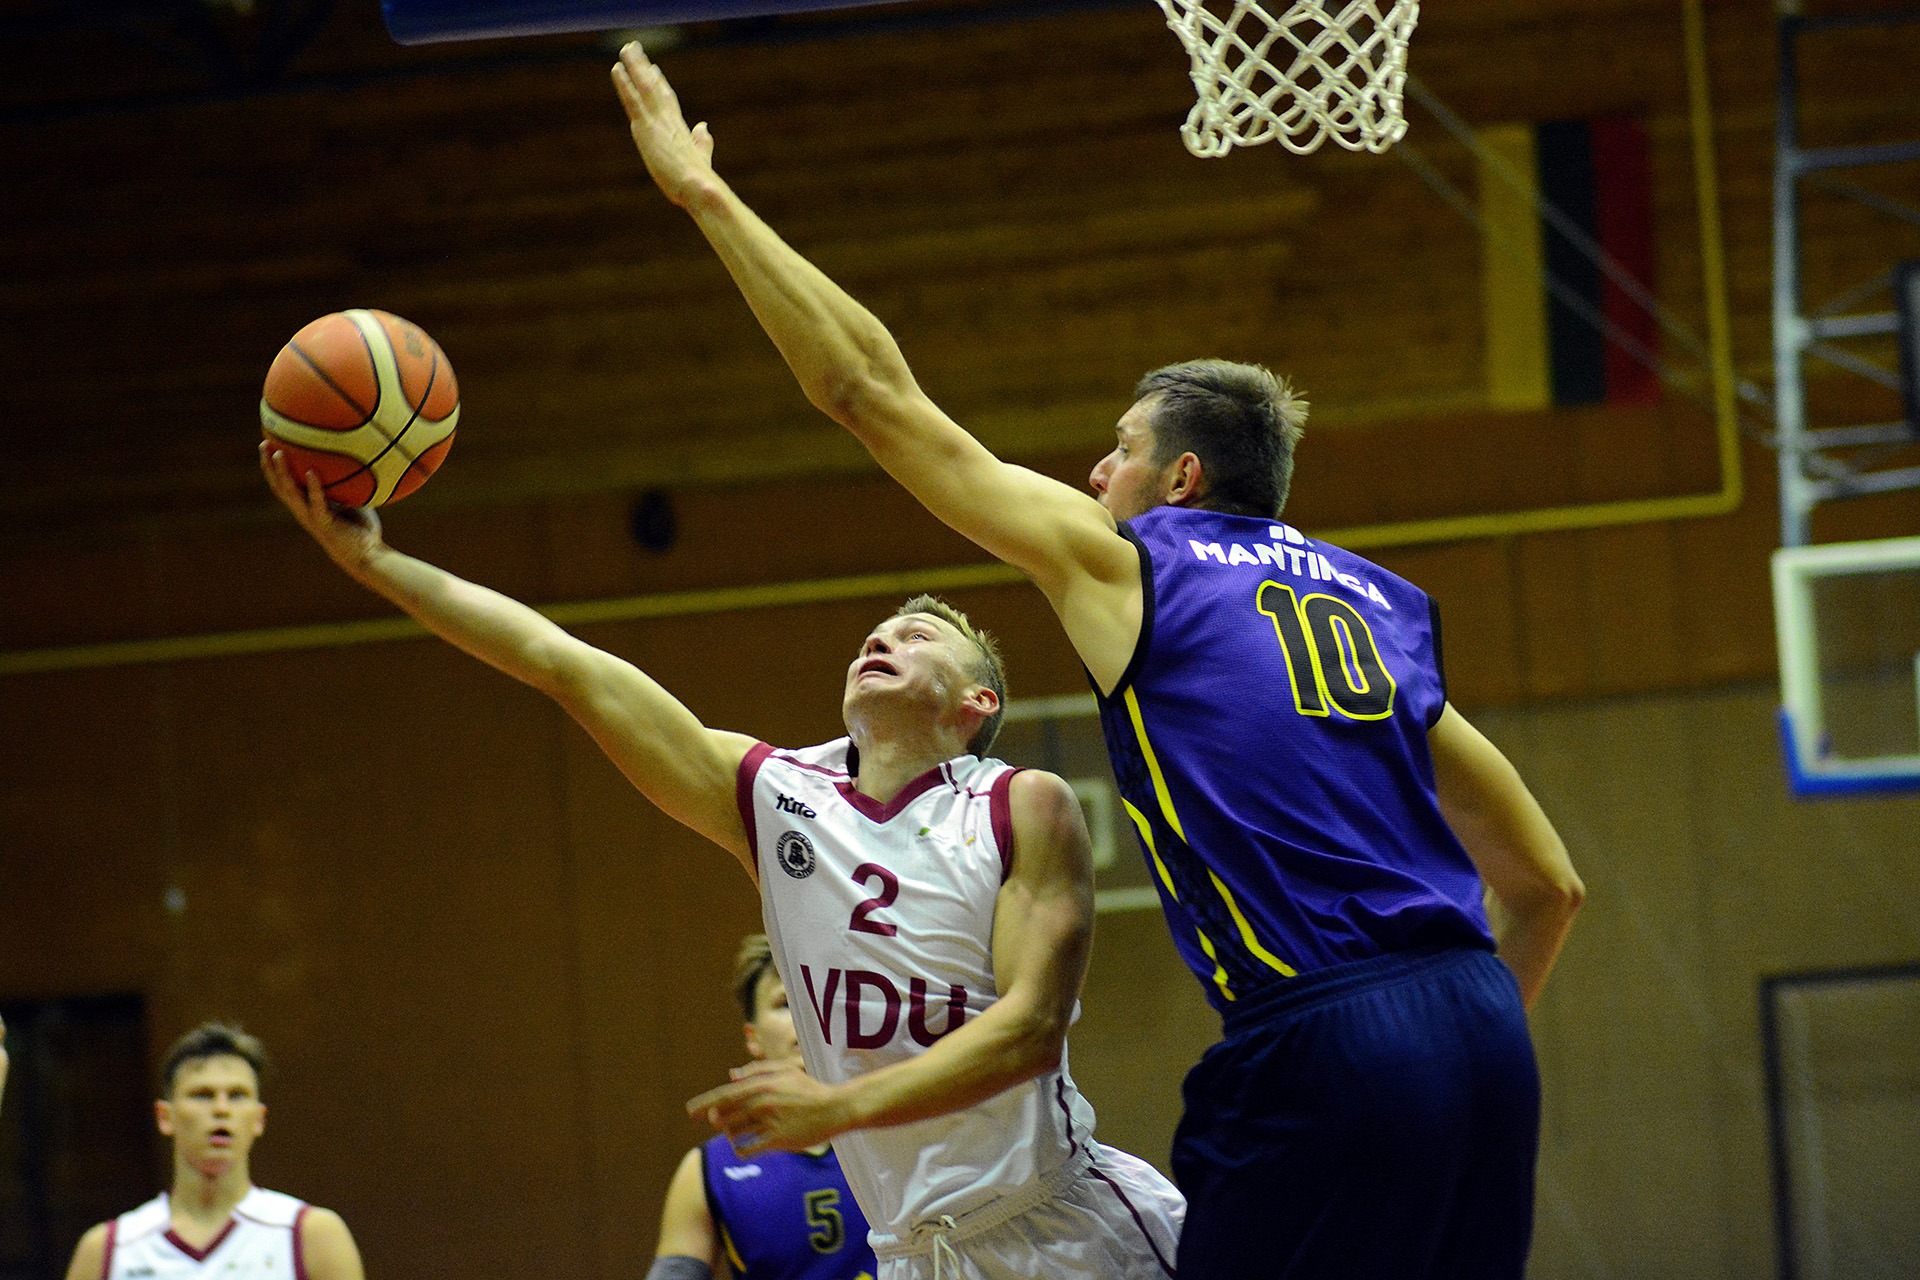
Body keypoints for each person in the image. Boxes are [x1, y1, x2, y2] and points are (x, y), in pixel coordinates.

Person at [612, 41, 1587, 1280]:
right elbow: (1548, 884)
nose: (1093, 473)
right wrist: (1455, 1059)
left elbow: (867, 391)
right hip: (1482, 1032)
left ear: (1182, 477)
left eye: (1118, 449)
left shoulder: (1140, 563)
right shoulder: (1377, 614)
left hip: (1320, 1030)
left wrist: (706, 196)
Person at [260, 448, 1182, 1280]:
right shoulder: (774, 794)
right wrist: (375, 563)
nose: (882, 641)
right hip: (910, 1255)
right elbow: (560, 662)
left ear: (976, 702)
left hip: (1061, 1226)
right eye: (875, 635)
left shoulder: (1020, 802)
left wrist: (840, 1108)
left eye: (917, 637)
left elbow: (1031, 1032)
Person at [652, 934, 877, 1280]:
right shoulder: (709, 1168)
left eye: (818, 997)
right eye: (786, 1003)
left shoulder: (899, 1123)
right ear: (752, 1037)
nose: (807, 1015)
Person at [64, 1022, 364, 1280]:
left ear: (258, 1119)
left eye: (237, 1095)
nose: (221, 1109)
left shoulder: (310, 1234)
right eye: (203, 1095)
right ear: (165, 1117)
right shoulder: (108, 1249)